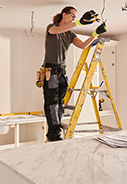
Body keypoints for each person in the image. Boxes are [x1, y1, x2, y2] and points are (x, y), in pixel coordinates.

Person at [42, 6, 107, 141]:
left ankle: (55, 130)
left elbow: (83, 45)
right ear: (64, 14)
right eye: (72, 15)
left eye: (75, 17)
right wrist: (79, 23)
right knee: (52, 104)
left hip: (62, 71)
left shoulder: (70, 34)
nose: (74, 18)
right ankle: (53, 135)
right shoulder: (52, 28)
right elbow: (59, 29)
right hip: (51, 71)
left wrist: (95, 33)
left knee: (60, 103)